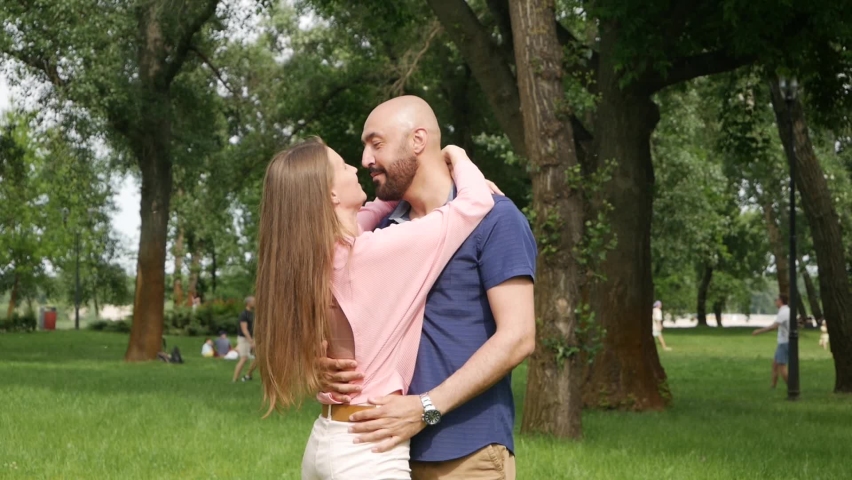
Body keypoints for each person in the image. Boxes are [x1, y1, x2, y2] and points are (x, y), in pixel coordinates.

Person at [254, 135, 495, 480]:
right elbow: (473, 204)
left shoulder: (315, 254)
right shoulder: (371, 254)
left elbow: (372, 211)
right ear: (332, 194)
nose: (356, 166)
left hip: (327, 438)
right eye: (342, 165)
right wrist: (456, 156)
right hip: (367, 450)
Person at [321, 96, 537, 479]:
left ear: (418, 140)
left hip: (465, 454)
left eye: (376, 143)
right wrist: (322, 365)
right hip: (383, 451)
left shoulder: (496, 218)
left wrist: (426, 408)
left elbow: (518, 337)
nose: (366, 159)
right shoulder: (382, 235)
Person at [752, 294, 790, 388]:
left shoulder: (783, 312)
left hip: (784, 342)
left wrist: (759, 331)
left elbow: (774, 326)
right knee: (775, 364)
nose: (775, 302)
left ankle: (792, 387)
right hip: (784, 342)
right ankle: (773, 386)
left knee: (782, 366)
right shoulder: (787, 311)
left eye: (776, 300)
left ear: (780, 301)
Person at [232, 296, 257, 382]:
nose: (255, 303)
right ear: (248, 303)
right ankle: (234, 379)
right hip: (244, 339)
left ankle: (248, 375)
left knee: (259, 357)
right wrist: (250, 341)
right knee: (244, 358)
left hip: (252, 338)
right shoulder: (244, 314)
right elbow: (244, 329)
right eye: (254, 301)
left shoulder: (253, 314)